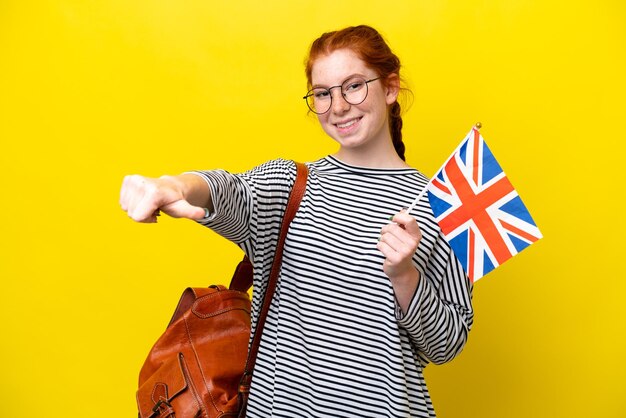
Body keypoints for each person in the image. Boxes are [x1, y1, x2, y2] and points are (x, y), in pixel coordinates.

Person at [120, 25, 473, 418]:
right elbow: (226, 189)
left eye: (353, 86)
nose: (338, 107)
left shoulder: (444, 205)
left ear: (390, 88)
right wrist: (172, 185)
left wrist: (405, 276)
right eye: (322, 94)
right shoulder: (290, 186)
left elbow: (446, 346)